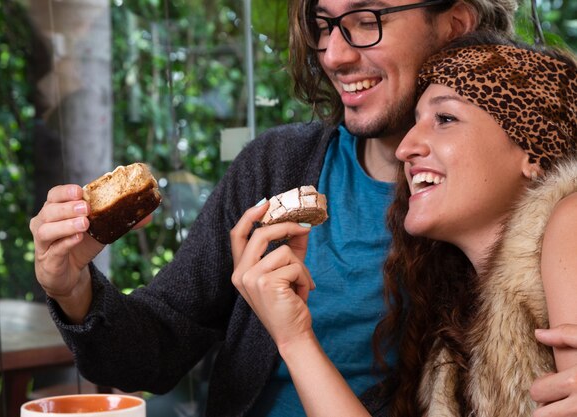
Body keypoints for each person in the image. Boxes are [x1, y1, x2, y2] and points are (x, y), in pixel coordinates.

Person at [29, 0, 575, 415]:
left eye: (365, 19)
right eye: (323, 25)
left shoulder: (517, 212)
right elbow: (152, 353)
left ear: (453, 24)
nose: (335, 54)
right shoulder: (276, 166)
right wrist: (71, 286)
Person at [230, 32, 577, 416]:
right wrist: (293, 337)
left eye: (445, 118)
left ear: (532, 154)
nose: (405, 148)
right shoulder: (453, 339)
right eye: (416, 121)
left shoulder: (569, 219)